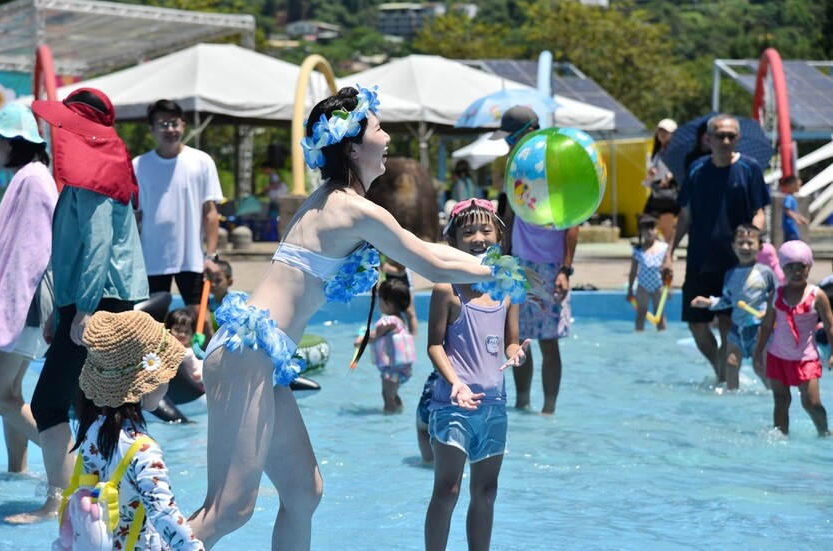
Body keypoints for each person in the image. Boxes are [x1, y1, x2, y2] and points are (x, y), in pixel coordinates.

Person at [186, 86, 533, 549]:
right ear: (352, 145)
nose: (387, 137)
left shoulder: (334, 199)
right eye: (377, 127)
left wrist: (498, 269)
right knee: (229, 509)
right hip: (247, 354)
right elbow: (429, 262)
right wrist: (503, 271)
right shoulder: (348, 208)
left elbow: (430, 249)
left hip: (258, 356)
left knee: (304, 493)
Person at [8, 88, 149, 524]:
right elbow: (74, 251)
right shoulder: (97, 172)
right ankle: (110, 499)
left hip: (100, 302)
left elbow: (98, 246)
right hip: (96, 300)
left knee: (50, 402)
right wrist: (61, 308)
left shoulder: (92, 177)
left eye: (60, 126)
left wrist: (82, 309)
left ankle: (58, 503)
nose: (52, 134)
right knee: (101, 406)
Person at [424, 198, 529, 551]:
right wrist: (456, 383)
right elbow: (434, 345)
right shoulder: (447, 288)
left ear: (499, 235)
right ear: (452, 241)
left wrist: (517, 355)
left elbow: (510, 342)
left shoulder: (507, 288)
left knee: (487, 491)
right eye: (468, 231)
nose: (478, 237)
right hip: (453, 405)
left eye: (485, 229)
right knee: (448, 489)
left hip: (494, 405)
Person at [53, 310, 204, 550]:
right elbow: (164, 513)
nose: (168, 384)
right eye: (165, 376)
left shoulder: (93, 431)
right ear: (145, 383)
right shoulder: (143, 449)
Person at [662, 114, 770, 384]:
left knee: (726, 325)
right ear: (707, 139)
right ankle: (720, 369)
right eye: (719, 135)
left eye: (730, 136)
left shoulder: (750, 168)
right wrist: (669, 253)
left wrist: (753, 236)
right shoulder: (696, 170)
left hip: (735, 265)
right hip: (700, 260)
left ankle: (726, 377)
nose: (724, 141)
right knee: (696, 325)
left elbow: (759, 211)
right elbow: (684, 216)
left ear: (738, 139)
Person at [0, 103, 57, 474]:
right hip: (29, 298)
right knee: (11, 392)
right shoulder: (32, 176)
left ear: (14, 143)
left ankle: (75, 461)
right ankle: (17, 470)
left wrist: (1, 312)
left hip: (23, 300)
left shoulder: (31, 180)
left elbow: (29, 253)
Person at [492, 105, 578, 414]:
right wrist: (502, 257)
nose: (507, 145)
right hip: (520, 265)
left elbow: (572, 222)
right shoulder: (515, 165)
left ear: (528, 131)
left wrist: (566, 270)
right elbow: (510, 214)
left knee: (549, 341)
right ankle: (522, 404)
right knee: (518, 339)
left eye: (510, 138)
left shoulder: (556, 165)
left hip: (551, 265)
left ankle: (549, 410)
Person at [132, 99, 224, 339]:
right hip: (151, 258)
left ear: (184, 124)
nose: (170, 129)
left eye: (174, 123)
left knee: (202, 321)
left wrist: (211, 256)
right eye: (163, 124)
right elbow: (135, 216)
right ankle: (156, 375)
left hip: (191, 258)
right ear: (152, 129)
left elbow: (210, 212)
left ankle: (214, 373)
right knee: (149, 327)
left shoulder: (201, 161)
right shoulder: (139, 165)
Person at [753, 241, 833, 436]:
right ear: (782, 268)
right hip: (778, 357)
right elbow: (765, 326)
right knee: (781, 402)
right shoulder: (776, 294)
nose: (796, 272)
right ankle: (781, 438)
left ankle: (825, 432)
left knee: (811, 403)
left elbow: (830, 326)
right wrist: (757, 353)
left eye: (801, 267)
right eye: (790, 267)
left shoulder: (817, 295)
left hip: (806, 359)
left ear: (809, 267)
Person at [690, 224, 777, 390]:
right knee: (731, 364)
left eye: (750, 243)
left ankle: (773, 395)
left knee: (761, 369)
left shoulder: (765, 272)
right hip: (737, 329)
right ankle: (732, 398)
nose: (745, 247)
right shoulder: (730, 273)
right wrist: (708, 303)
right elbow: (727, 299)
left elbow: (778, 297)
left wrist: (768, 312)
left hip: (759, 330)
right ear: (733, 246)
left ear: (759, 247)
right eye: (741, 243)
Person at [361, 278, 416, 413]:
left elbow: (374, 335)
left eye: (380, 298)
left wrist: (360, 341)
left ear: (388, 303)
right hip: (402, 368)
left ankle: (389, 417)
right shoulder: (400, 320)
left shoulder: (388, 321)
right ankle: (399, 410)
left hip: (392, 370)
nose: (378, 302)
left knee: (387, 395)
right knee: (393, 394)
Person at [626, 214, 669, 331]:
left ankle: (662, 337)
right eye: (646, 229)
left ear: (657, 230)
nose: (650, 232)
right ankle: (639, 335)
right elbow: (633, 271)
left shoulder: (663, 248)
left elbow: (668, 269)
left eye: (652, 228)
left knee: (659, 314)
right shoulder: (638, 250)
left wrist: (668, 288)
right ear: (641, 231)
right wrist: (630, 289)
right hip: (643, 285)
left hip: (658, 285)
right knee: (641, 313)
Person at [642, 118, 680, 243]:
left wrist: (670, 176)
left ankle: (668, 252)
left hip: (670, 194)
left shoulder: (677, 152)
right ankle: (662, 249)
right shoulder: (657, 153)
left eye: (666, 132)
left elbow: (682, 170)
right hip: (657, 192)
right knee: (647, 221)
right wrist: (650, 175)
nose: (662, 134)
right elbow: (650, 177)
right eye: (660, 131)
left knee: (666, 226)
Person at [166, 308, 202, 383]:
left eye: (187, 331)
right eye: (177, 329)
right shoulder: (185, 346)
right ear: (168, 329)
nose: (182, 334)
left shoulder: (186, 352)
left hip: (201, 381)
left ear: (192, 334)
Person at [781, 175, 808, 242]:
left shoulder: (791, 197)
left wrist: (801, 218)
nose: (799, 187)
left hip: (792, 227)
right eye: (798, 185)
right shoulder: (789, 198)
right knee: (793, 245)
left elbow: (794, 212)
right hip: (790, 227)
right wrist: (796, 219)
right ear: (792, 185)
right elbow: (787, 210)